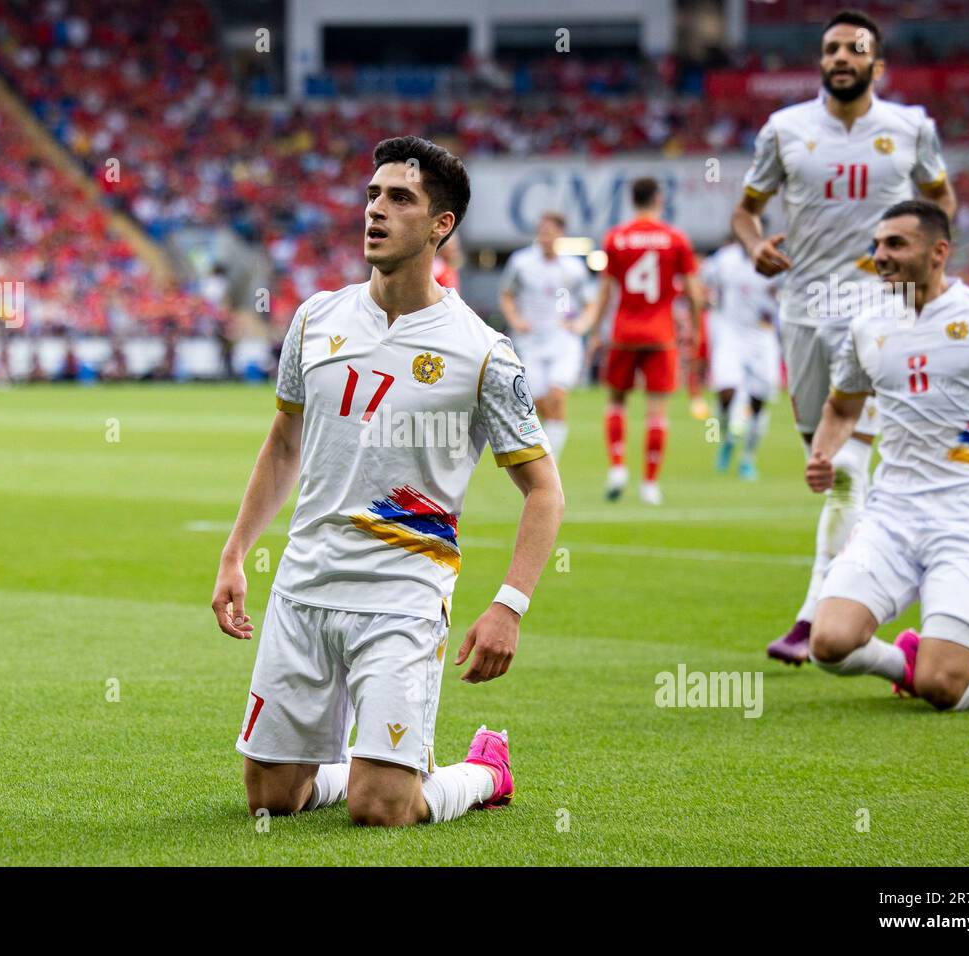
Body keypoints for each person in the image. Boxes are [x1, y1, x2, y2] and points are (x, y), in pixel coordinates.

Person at [211, 136, 565, 827]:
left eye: (399, 198)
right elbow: (284, 441)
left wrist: (509, 606)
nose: (376, 209)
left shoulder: (482, 350)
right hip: (305, 584)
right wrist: (234, 552)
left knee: (382, 810)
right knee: (270, 799)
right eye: (373, 195)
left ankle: (483, 770)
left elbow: (544, 490)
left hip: (403, 594)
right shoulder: (316, 318)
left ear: (441, 226)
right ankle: (376, 758)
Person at [731, 9, 957, 663]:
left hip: (879, 306)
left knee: (847, 468)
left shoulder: (911, 129)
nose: (841, 58)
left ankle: (813, 616)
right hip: (803, 309)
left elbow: (942, 204)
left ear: (876, 65)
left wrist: (928, 274)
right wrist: (754, 247)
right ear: (820, 61)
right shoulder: (786, 130)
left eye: (855, 49)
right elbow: (745, 211)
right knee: (827, 470)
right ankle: (895, 562)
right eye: (831, 49)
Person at [807, 200, 969, 710]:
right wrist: (823, 451)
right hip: (892, 514)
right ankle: (905, 665)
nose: (880, 255)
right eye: (876, 244)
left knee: (943, 688)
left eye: (896, 244)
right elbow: (841, 405)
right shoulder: (868, 327)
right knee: (827, 645)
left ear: (939, 251)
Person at [577, 177, 704, 504]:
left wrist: (594, 332)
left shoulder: (617, 238)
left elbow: (605, 293)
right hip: (661, 335)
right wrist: (694, 327)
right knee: (657, 411)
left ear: (632, 200)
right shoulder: (675, 239)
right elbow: (693, 292)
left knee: (617, 402)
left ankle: (618, 466)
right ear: (658, 199)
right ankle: (650, 483)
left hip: (624, 333)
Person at [498, 211, 590, 460]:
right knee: (538, 402)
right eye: (542, 230)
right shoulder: (521, 262)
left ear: (560, 233)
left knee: (557, 396)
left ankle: (552, 458)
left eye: (550, 231)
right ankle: (547, 446)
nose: (545, 236)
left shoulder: (573, 268)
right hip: (530, 342)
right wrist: (516, 320)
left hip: (563, 341)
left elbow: (589, 303)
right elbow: (507, 295)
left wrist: (581, 324)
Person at [700, 240, 781, 480]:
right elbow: (703, 281)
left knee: (758, 401)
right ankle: (723, 439)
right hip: (730, 332)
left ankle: (748, 458)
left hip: (762, 335)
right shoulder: (725, 258)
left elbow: (789, 291)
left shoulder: (774, 259)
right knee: (726, 392)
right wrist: (711, 303)